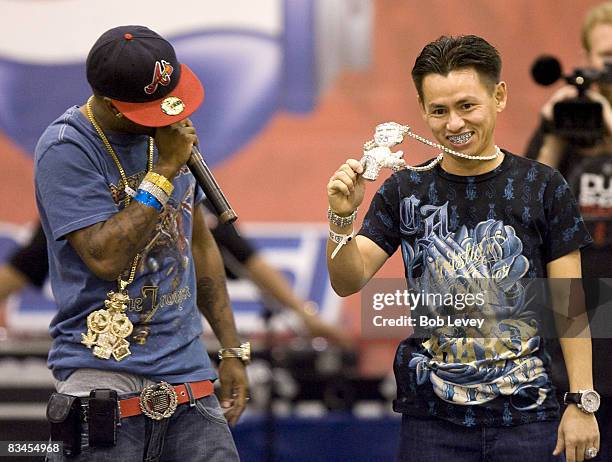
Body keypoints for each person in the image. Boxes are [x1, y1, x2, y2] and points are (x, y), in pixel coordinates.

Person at [326, 35, 600, 462]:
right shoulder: (404, 189)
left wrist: (581, 400)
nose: (453, 124)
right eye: (439, 111)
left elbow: (571, 305)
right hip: (432, 425)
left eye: (466, 106)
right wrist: (341, 218)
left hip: (530, 418)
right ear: (421, 109)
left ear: (499, 96)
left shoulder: (543, 185)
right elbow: (347, 281)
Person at [35, 25, 247, 461]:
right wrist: (164, 170)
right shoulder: (66, 147)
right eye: (153, 108)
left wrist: (230, 348)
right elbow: (104, 256)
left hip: (190, 382)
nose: (170, 115)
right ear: (112, 104)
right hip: (103, 386)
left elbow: (199, 243)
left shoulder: (171, 138)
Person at [0, 218, 350, 346]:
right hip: (96, 352)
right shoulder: (73, 211)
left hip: (173, 351)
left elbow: (243, 257)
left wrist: (232, 350)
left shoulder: (189, 207)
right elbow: (18, 272)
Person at [526, 3, 612, 460]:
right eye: (603, 56)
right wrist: (555, 133)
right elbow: (524, 215)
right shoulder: (568, 121)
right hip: (574, 336)